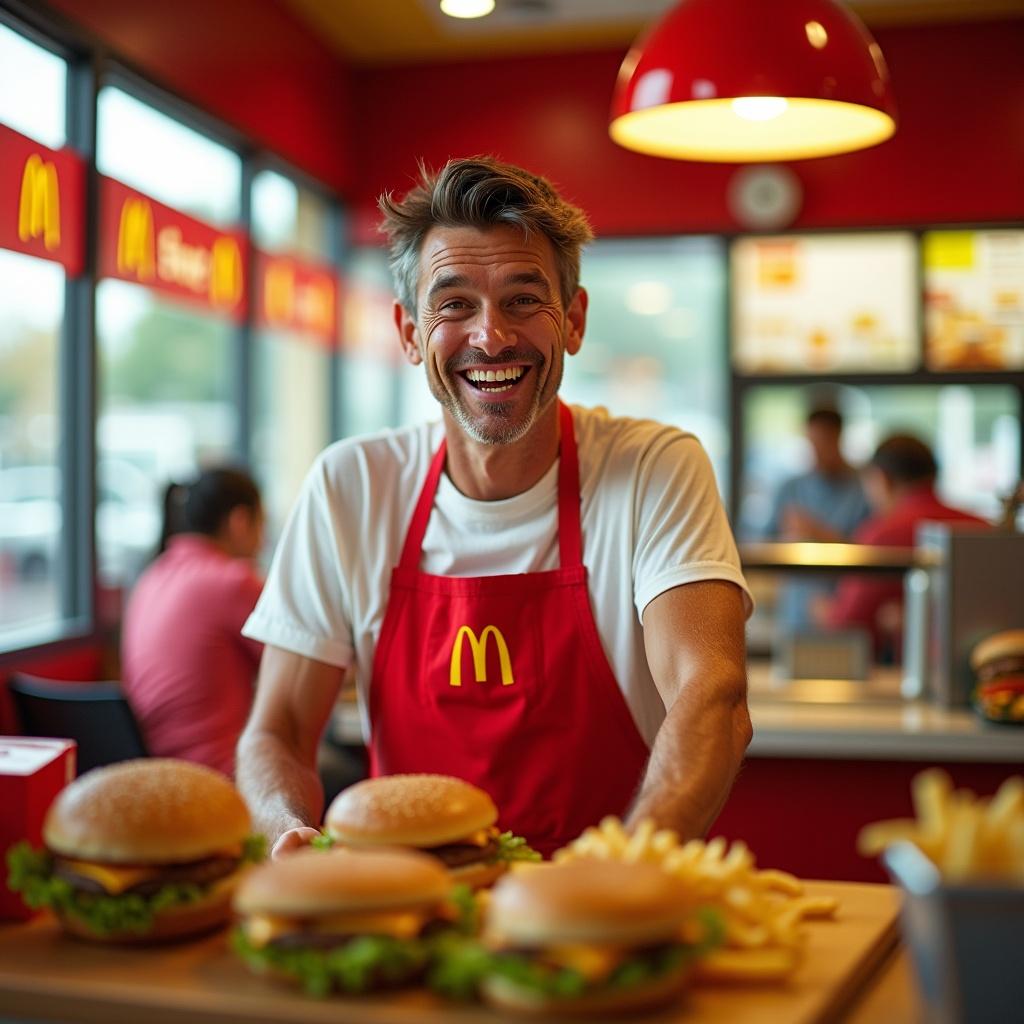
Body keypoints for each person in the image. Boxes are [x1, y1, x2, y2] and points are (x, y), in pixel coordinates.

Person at [237, 157, 753, 859]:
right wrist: (285, 831)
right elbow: (279, 729)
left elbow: (710, 693)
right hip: (406, 908)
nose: (491, 336)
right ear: (411, 334)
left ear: (572, 320)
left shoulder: (651, 468)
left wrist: (626, 870)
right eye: (453, 304)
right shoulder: (351, 486)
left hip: (600, 913)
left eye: (522, 299)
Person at [121, 466, 265, 776]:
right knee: (338, 771)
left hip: (153, 772)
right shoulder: (233, 581)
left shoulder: (151, 577)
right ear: (240, 521)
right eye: (262, 523)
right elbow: (305, 667)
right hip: (219, 775)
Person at [817, 434, 988, 659]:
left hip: (913, 676)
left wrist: (823, 611)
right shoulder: (982, 527)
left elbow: (846, 627)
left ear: (882, 479)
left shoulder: (881, 534)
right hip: (989, 676)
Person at [765, 406, 872, 633]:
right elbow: (767, 543)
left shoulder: (863, 488)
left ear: (839, 437)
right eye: (813, 443)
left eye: (824, 442)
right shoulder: (790, 488)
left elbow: (872, 552)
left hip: (845, 610)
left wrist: (819, 532)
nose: (818, 451)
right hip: (796, 611)